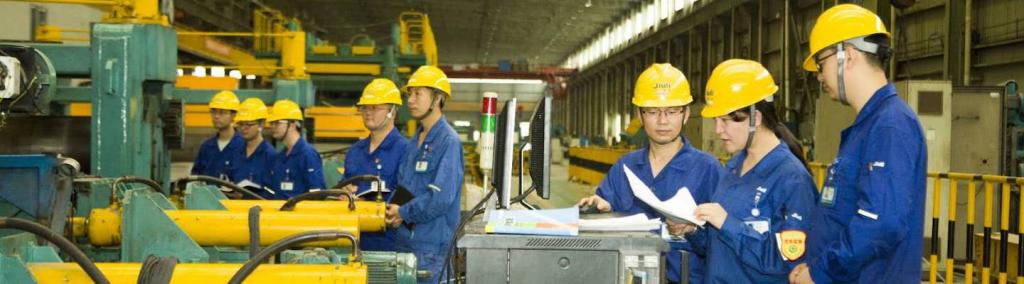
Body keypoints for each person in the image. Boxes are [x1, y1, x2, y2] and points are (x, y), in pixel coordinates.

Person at [789, 4, 926, 284]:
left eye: (821, 64)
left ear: (847, 56)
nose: (818, 76)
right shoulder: (870, 125)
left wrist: (821, 272)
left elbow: (880, 223)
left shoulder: (890, 125)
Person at [667, 59, 817, 283]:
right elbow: (718, 248)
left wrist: (727, 223)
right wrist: (692, 231)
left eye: (726, 121)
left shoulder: (792, 179)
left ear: (755, 119)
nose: (718, 130)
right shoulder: (734, 168)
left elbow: (789, 263)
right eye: (716, 120)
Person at [576, 63, 724, 284]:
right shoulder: (625, 168)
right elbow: (601, 235)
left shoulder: (707, 169)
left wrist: (692, 230)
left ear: (685, 114)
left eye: (672, 111)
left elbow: (722, 247)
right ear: (640, 115)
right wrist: (599, 210)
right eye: (653, 112)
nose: (662, 121)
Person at [385, 66, 464, 284]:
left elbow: (441, 198)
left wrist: (403, 212)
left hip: (430, 251)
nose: (410, 100)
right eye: (410, 93)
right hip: (404, 244)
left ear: (437, 98)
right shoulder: (414, 142)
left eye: (418, 93)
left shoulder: (448, 142)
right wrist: (391, 210)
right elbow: (403, 186)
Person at [343, 78, 410, 251]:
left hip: (390, 246)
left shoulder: (406, 151)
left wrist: (367, 205)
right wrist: (343, 195)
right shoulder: (355, 151)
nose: (367, 113)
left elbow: (406, 198)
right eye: (364, 107)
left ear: (392, 111)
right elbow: (343, 188)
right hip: (355, 243)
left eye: (374, 107)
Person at [266, 99, 326, 199]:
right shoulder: (280, 158)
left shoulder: (308, 155)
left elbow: (317, 195)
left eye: (277, 122)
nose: (273, 127)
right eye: (271, 123)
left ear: (292, 125)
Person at [228, 98, 277, 199]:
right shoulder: (236, 153)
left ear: (261, 125)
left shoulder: (270, 156)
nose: (243, 128)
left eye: (248, 124)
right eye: (240, 124)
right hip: (236, 210)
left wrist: (246, 195)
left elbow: (275, 193)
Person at [191, 90, 245, 179]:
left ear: (233, 115)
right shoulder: (206, 147)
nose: (216, 116)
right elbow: (195, 178)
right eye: (214, 112)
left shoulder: (244, 147)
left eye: (222, 112)